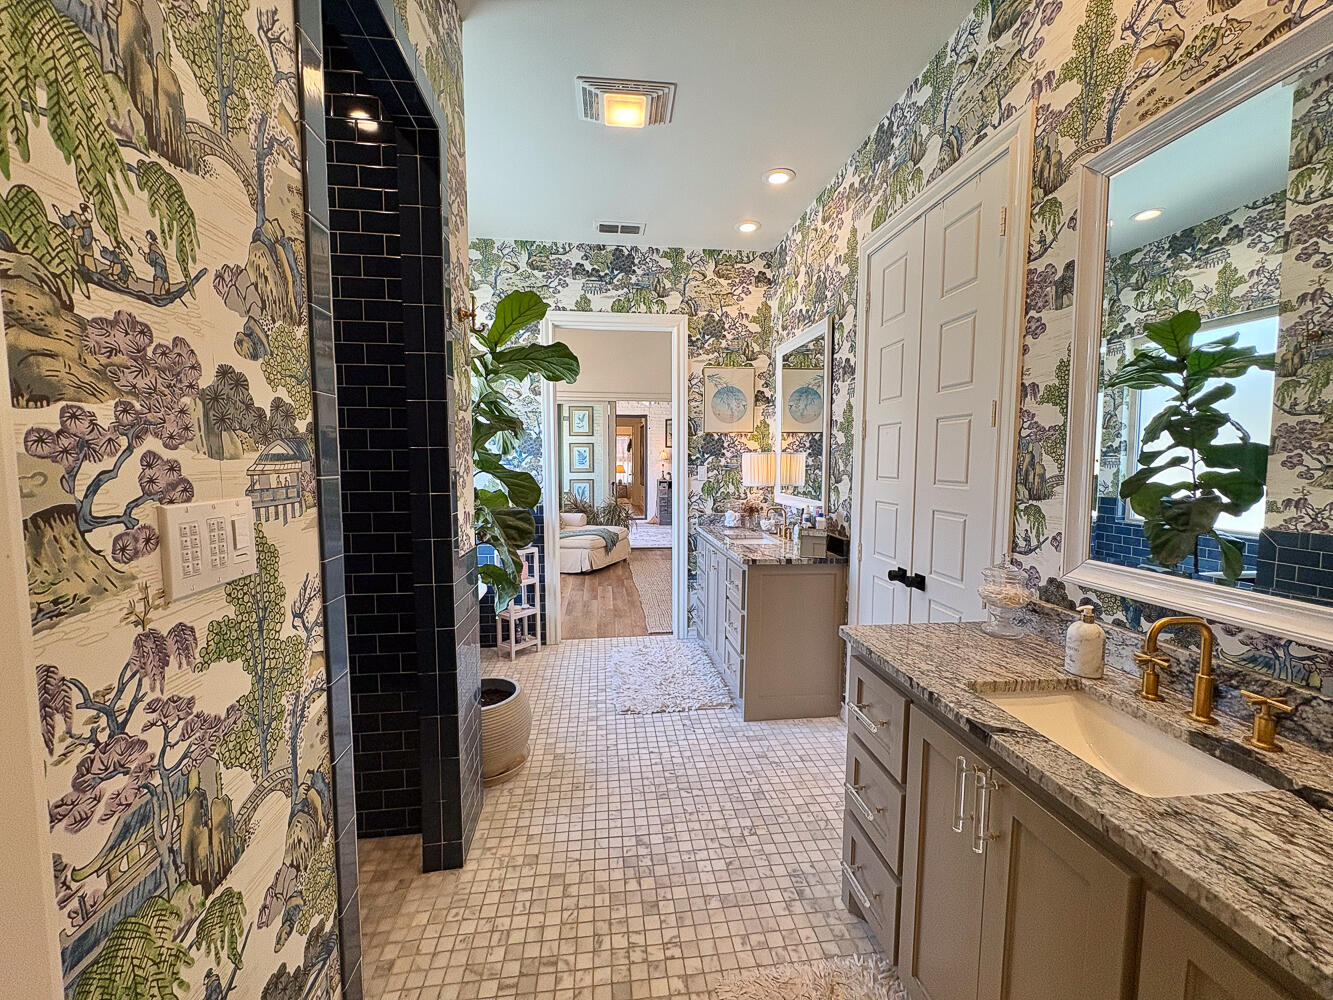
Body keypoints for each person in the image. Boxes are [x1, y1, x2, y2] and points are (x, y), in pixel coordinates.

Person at [141, 229, 169, 295]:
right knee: (163, 293)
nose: (146, 238)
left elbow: (152, 263)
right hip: (164, 273)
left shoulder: (152, 248)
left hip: (159, 273)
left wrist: (144, 256)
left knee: (157, 291)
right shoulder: (156, 248)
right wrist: (144, 253)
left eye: (147, 237)